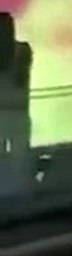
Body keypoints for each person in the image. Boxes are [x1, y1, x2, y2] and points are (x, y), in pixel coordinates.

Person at [0, 12, 32, 193]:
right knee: (20, 159)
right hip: (19, 112)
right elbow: (21, 78)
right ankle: (21, 191)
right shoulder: (23, 51)